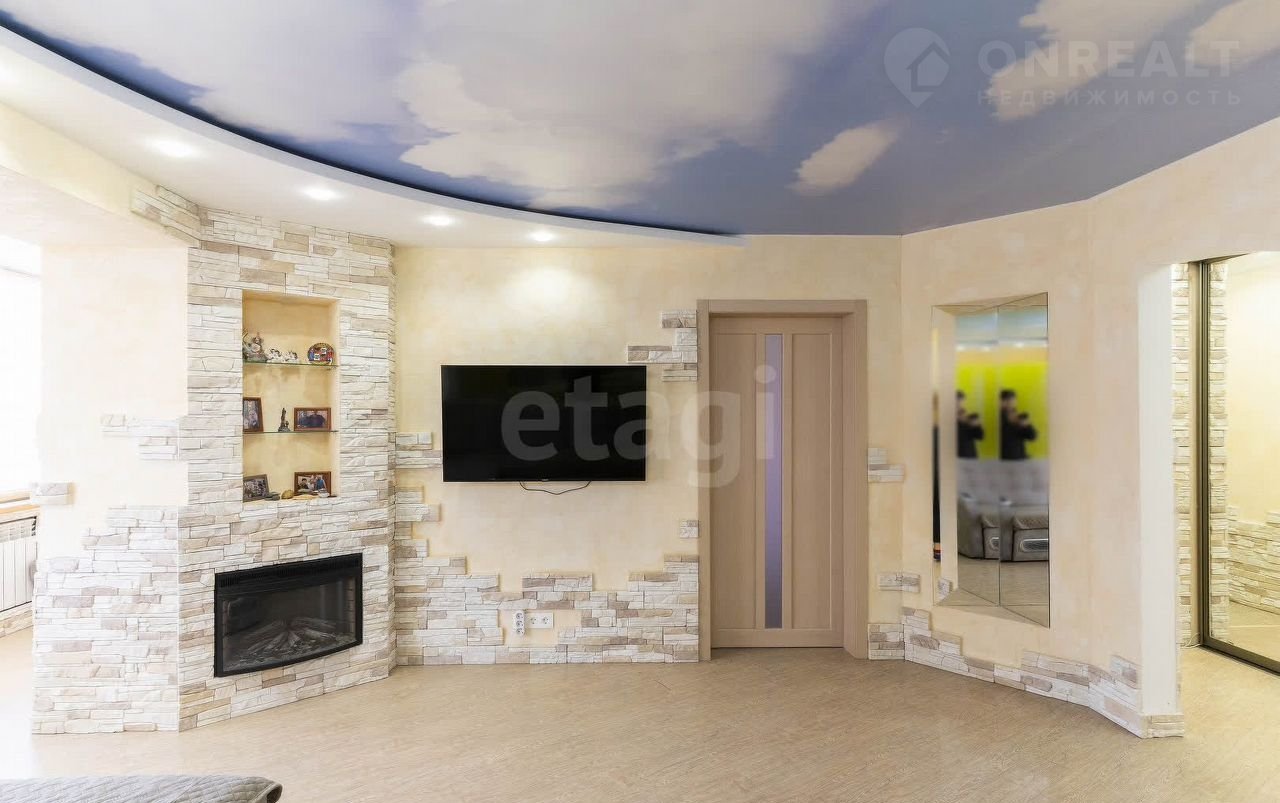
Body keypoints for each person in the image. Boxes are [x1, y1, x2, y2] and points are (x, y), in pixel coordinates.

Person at [999, 389, 1038, 460]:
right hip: (1004, 460)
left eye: (1012, 399)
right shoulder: (997, 418)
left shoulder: (1020, 417)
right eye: (1006, 400)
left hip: (1020, 459)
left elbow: (1032, 437)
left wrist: (1027, 426)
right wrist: (1010, 423)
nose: (1009, 403)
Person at [955, 390, 984, 458]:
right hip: (952, 456)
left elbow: (980, 437)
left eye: (961, 400)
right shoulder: (945, 419)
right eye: (957, 400)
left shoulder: (971, 417)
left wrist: (977, 426)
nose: (958, 403)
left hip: (969, 456)